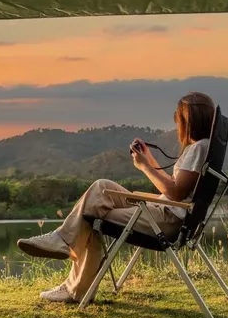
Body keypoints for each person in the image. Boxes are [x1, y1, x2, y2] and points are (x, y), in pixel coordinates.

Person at [16, 92, 216, 303]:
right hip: (164, 211)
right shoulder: (204, 147)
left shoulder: (198, 148)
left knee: (92, 215)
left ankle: (74, 281)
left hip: (166, 218)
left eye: (179, 121)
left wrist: (145, 167)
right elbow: (175, 187)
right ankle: (64, 246)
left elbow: (176, 193)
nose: (178, 127)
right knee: (102, 188)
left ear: (189, 121)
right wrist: (149, 159)